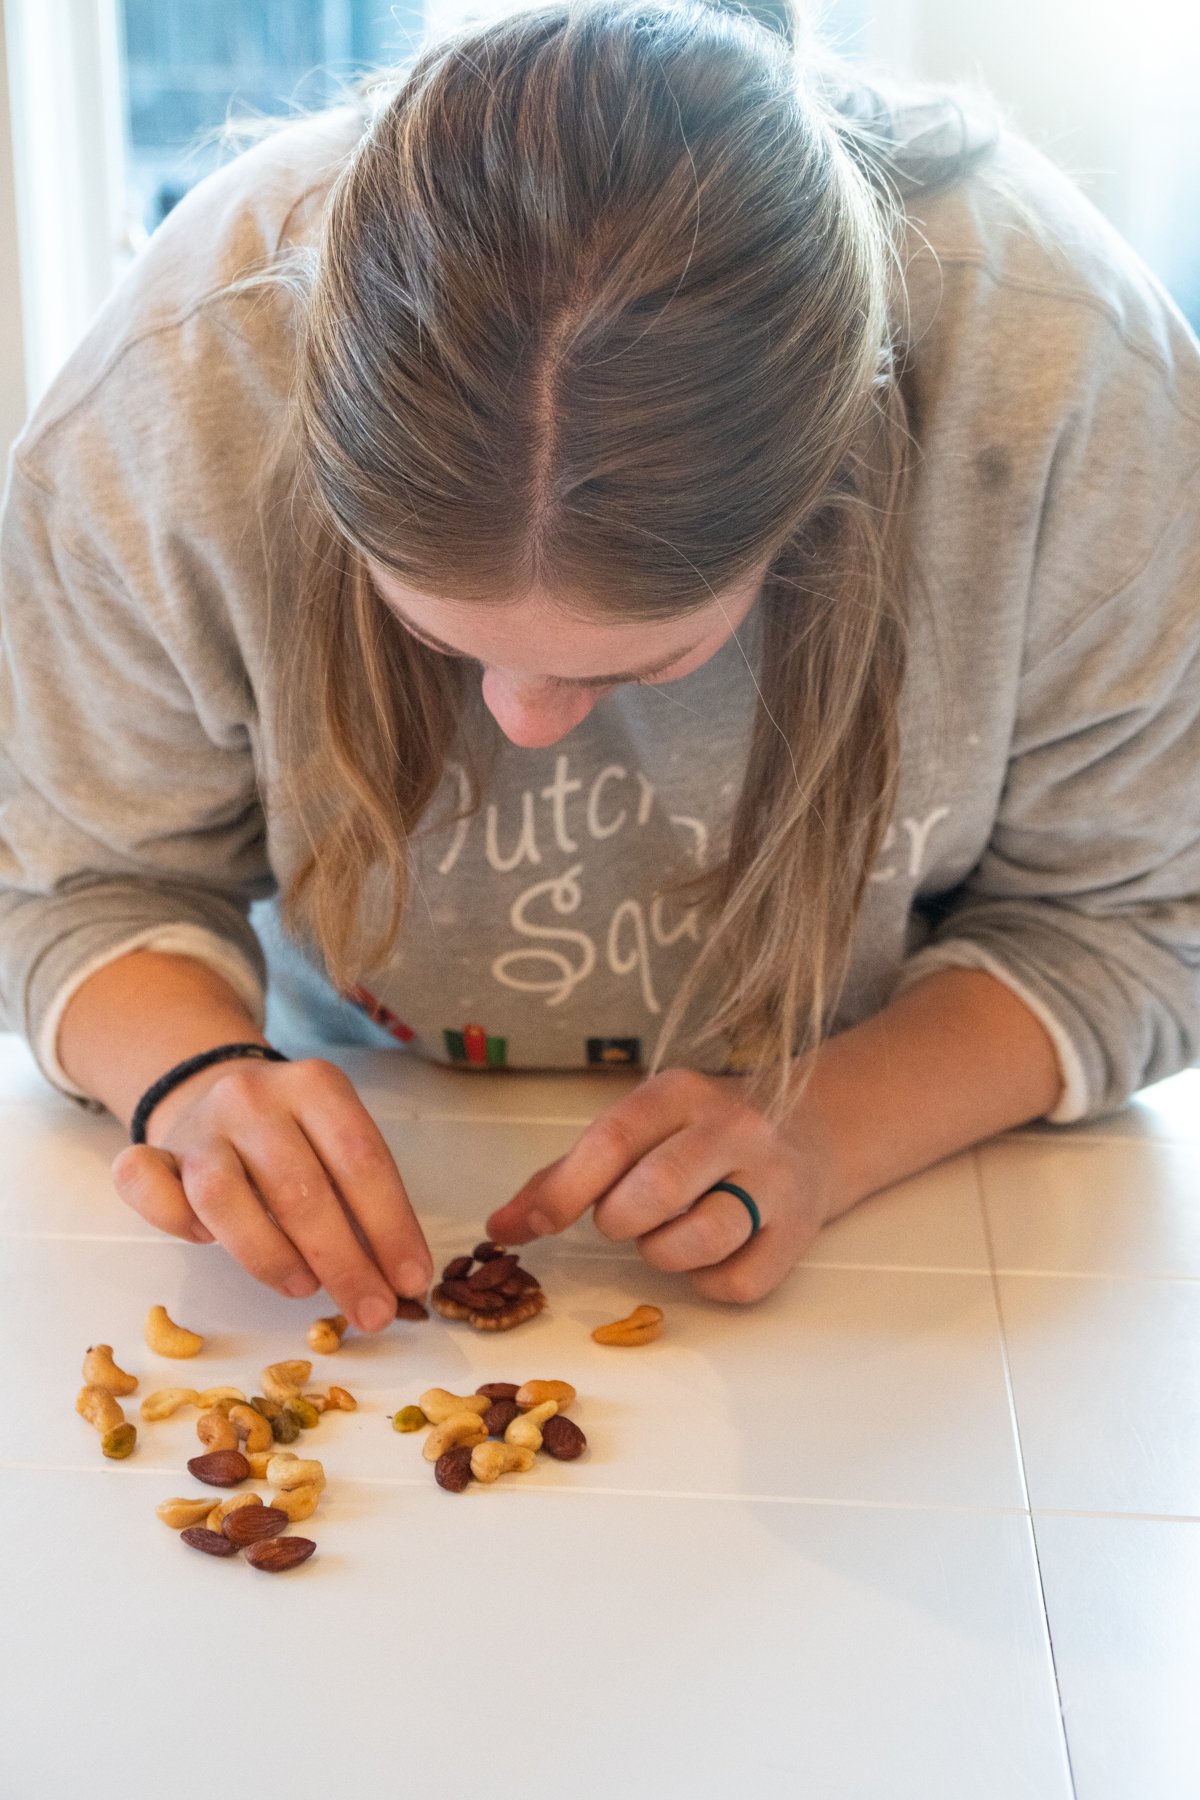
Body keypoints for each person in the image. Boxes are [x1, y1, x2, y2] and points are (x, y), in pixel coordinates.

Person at [1, 0, 1197, 1336]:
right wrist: (199, 1077)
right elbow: (75, 879)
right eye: (441, 641)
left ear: (833, 496)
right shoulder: (171, 395)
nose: (525, 722)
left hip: (930, 1214)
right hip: (349, 1088)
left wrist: (829, 1132)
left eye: (647, 667)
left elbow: (1144, 918)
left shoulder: (1072, 391)